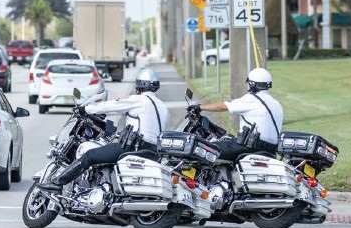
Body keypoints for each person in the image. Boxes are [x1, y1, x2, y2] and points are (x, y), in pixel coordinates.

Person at [37, 68, 170, 193]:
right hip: (153, 152)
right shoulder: (163, 107)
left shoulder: (139, 100)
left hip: (133, 148)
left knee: (89, 156)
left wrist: (86, 109)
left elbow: (113, 105)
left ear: (139, 84)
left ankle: (57, 184)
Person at [188, 67, 283, 161]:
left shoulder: (251, 99)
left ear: (252, 84)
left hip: (249, 147)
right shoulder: (277, 104)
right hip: (271, 151)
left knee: (204, 149)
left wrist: (199, 107)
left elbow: (224, 106)